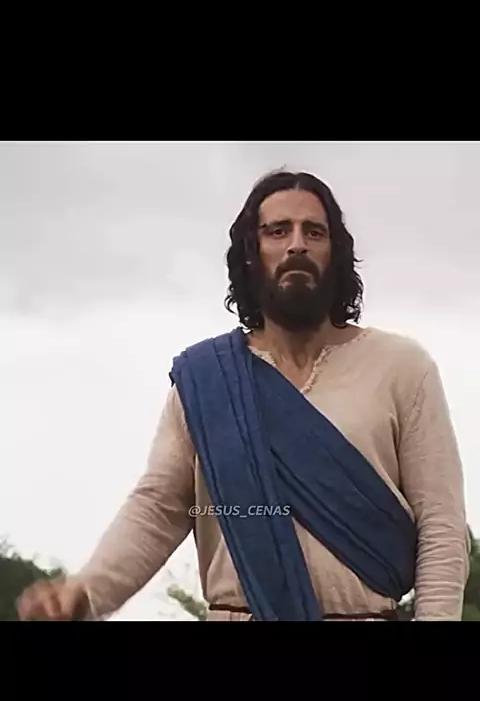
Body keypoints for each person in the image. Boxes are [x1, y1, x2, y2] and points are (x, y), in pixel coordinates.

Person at [17, 170, 470, 622]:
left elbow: (441, 526)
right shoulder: (208, 381)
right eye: (278, 231)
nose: (297, 245)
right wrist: (86, 593)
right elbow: (159, 508)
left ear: (335, 254)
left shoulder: (401, 368)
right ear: (251, 254)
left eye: (314, 232)